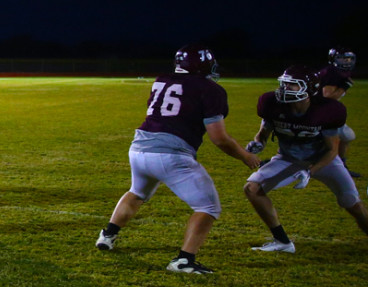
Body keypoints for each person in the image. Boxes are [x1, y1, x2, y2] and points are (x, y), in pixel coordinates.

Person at [95, 45, 260, 274]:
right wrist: (246, 156)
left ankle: (107, 235)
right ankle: (184, 260)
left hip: (139, 148)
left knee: (137, 192)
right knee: (208, 206)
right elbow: (219, 138)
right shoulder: (210, 89)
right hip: (171, 154)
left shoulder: (162, 79)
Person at [243, 65, 368, 252]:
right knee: (252, 189)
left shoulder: (328, 110)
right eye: (284, 84)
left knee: (352, 203)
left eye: (291, 85)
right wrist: (258, 143)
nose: (284, 89)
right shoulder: (271, 103)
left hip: (324, 160)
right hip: (288, 159)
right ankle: (283, 242)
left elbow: (331, 150)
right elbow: (262, 134)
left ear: (309, 88)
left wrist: (309, 170)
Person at [315, 47, 356, 177]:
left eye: (348, 58)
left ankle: (340, 166)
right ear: (333, 58)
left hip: (321, 110)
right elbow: (327, 96)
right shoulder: (333, 72)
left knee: (346, 136)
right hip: (319, 111)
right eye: (342, 58)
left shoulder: (336, 71)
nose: (346, 61)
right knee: (339, 139)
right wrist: (345, 86)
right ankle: (337, 168)